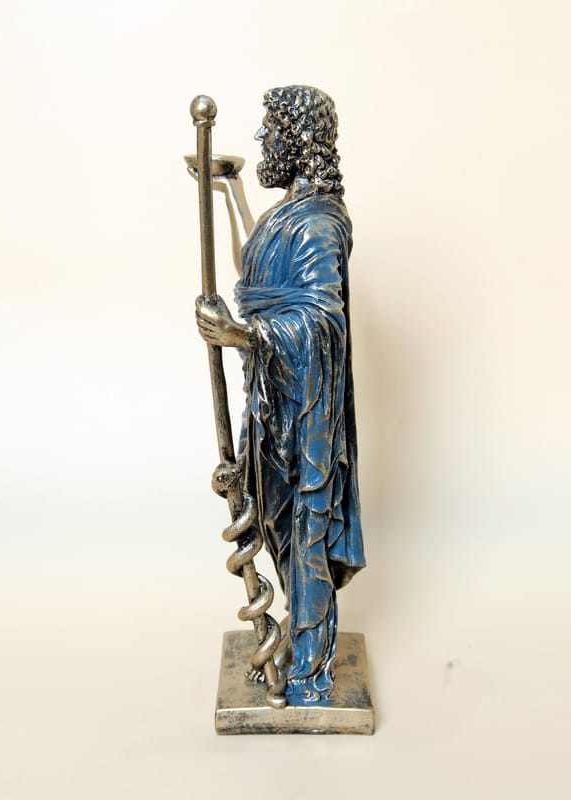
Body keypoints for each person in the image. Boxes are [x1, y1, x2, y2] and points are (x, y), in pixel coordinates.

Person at [195, 86, 365, 705]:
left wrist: (242, 335)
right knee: (272, 518)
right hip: (272, 397)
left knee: (305, 526)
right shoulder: (287, 214)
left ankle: (309, 668)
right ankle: (295, 638)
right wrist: (227, 190)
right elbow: (257, 267)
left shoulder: (319, 224)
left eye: (270, 129)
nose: (263, 140)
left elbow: (322, 322)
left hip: (307, 410)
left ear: (296, 138)